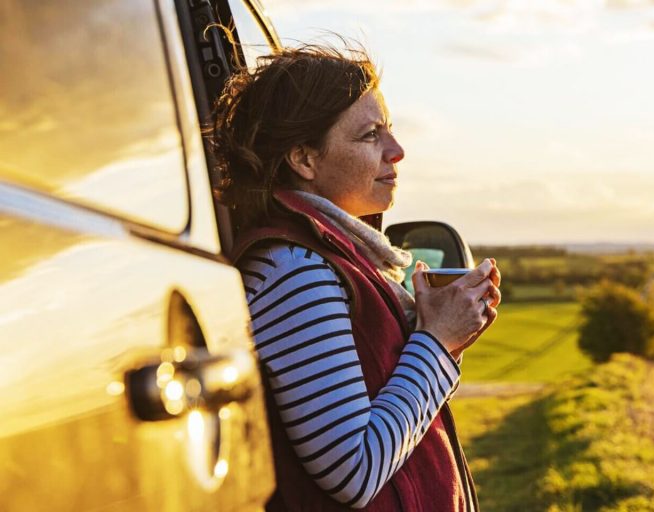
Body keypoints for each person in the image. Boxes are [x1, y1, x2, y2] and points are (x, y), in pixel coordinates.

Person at [210, 43, 500, 511]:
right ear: (304, 159)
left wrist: (438, 335)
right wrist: (437, 342)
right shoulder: (294, 270)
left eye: (390, 131)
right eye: (370, 136)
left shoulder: (330, 257)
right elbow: (352, 470)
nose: (397, 151)